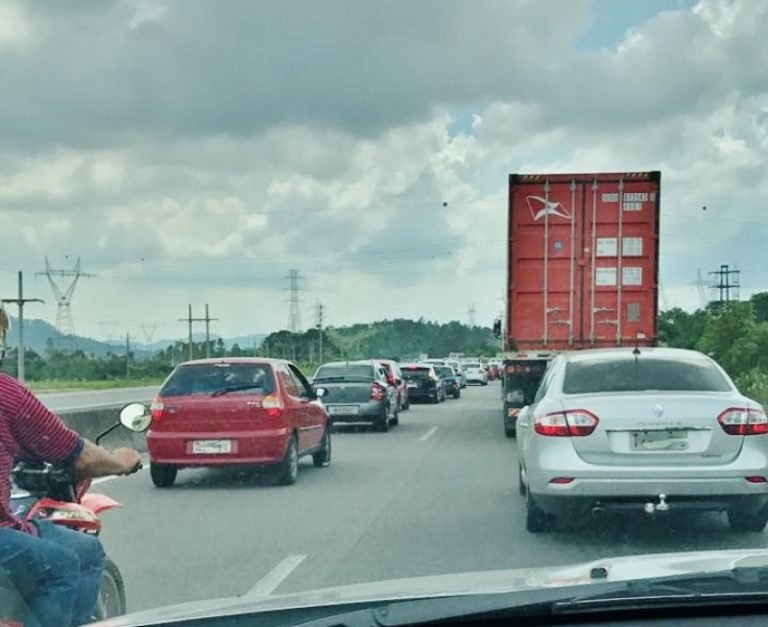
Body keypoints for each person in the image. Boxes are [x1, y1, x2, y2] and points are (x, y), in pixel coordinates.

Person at [0, 304, 141, 627]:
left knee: (74, 550)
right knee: (68, 562)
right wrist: (120, 461)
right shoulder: (6, 394)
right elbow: (79, 455)